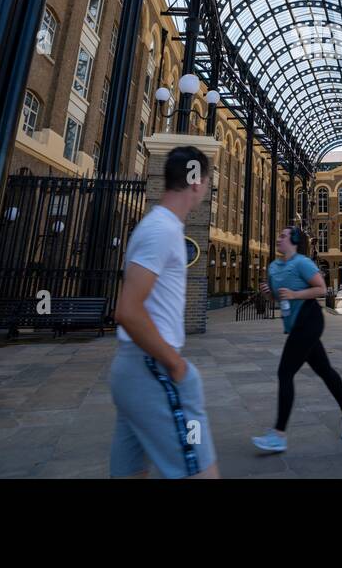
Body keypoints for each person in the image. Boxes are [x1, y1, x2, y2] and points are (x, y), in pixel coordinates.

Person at [109, 146, 218, 478]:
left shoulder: (158, 226)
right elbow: (128, 310)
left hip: (135, 371)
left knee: (129, 472)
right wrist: (175, 364)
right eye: (209, 181)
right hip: (154, 370)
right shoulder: (162, 230)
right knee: (198, 470)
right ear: (196, 182)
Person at [252, 226, 342, 453]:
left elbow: (321, 288)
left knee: (285, 373)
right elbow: (277, 298)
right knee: (325, 371)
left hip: (309, 320)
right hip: (296, 325)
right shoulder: (273, 267)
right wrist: (268, 294)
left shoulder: (302, 262)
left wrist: (295, 295)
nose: (279, 238)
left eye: (283, 236)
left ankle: (279, 435)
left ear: (293, 240)